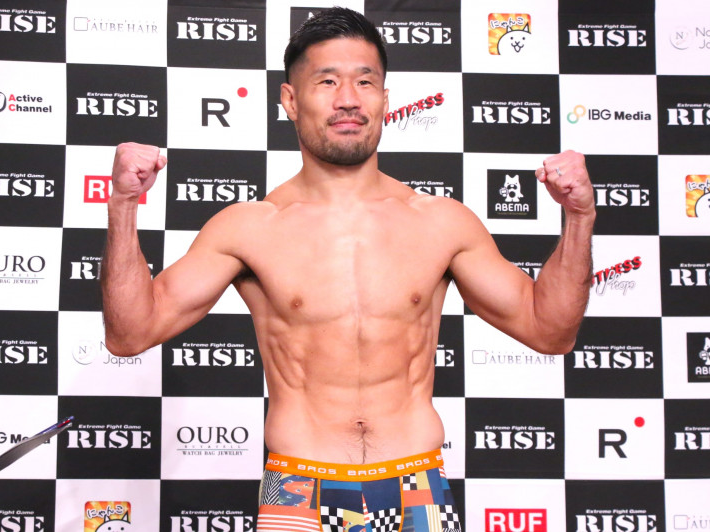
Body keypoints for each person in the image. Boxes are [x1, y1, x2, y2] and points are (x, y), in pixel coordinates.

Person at [101, 7, 595, 530]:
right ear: (290, 100)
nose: (348, 99)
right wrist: (123, 205)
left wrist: (579, 217)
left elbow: (550, 330)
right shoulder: (248, 227)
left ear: (385, 98)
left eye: (365, 81)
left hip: (415, 484)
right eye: (327, 81)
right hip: (297, 485)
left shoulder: (441, 222)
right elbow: (130, 334)